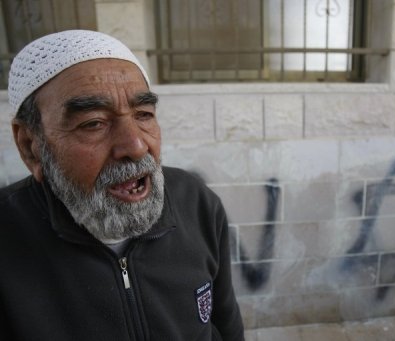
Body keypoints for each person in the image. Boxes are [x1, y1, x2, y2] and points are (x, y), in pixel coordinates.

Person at [0, 30, 244, 340]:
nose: (136, 146)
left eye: (143, 114)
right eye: (93, 123)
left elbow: (226, 326)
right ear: (30, 145)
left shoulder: (195, 202)